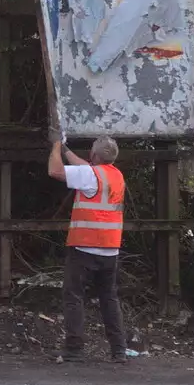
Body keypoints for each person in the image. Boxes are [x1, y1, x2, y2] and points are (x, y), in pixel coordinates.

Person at [48, 132, 128, 363]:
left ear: (93, 154)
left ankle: (74, 348)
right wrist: (65, 148)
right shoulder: (115, 175)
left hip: (85, 247)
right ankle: (119, 350)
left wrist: (55, 147)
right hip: (110, 249)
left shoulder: (90, 174)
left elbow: (55, 171)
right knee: (109, 298)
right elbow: (85, 168)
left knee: (73, 296)